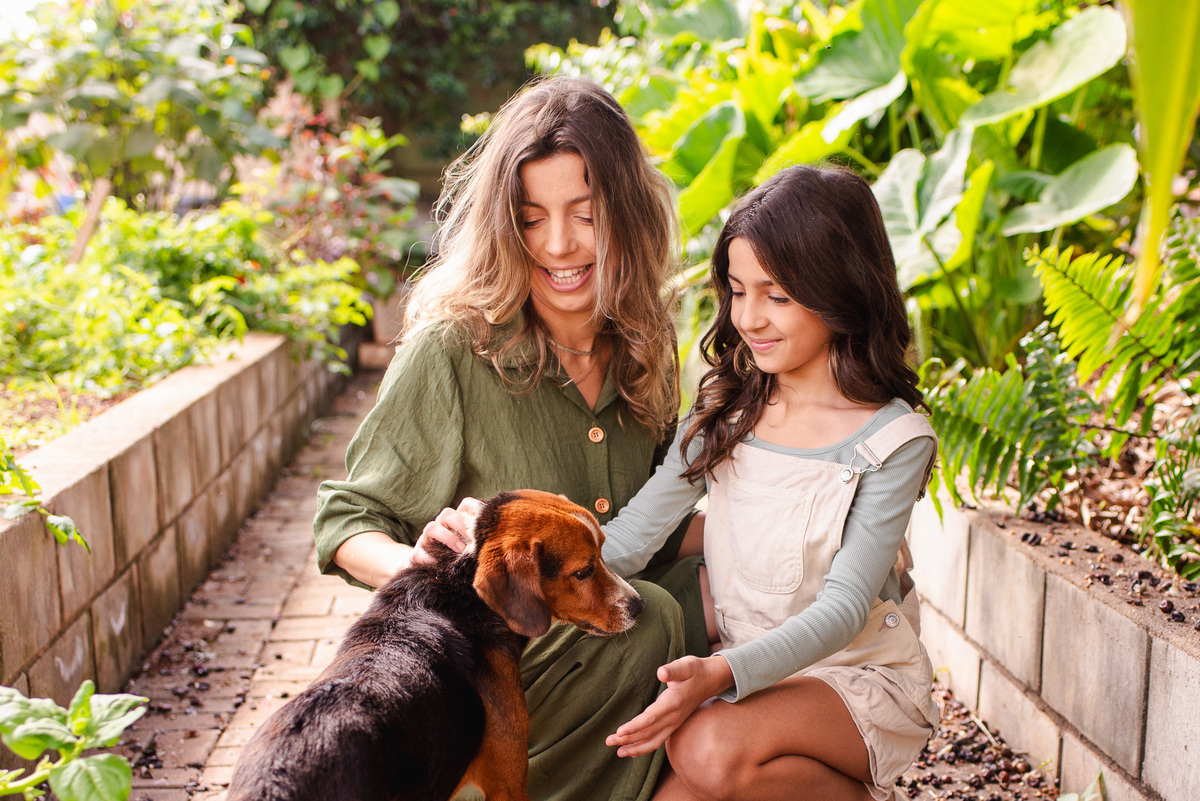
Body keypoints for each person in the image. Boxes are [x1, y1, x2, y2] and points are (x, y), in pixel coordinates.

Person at [311, 76, 707, 801]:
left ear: (627, 215)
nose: (559, 244)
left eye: (584, 215)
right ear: (504, 224)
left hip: (599, 645)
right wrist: (426, 567)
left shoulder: (647, 347)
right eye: (531, 219)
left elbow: (661, 521)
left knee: (701, 596)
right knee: (654, 625)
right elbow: (344, 519)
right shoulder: (454, 349)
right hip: (486, 683)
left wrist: (815, 527)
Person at [598, 164, 940, 801]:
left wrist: (717, 673)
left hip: (853, 679)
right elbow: (630, 542)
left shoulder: (892, 440)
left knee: (704, 744)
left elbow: (840, 615)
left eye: (777, 295)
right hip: (749, 676)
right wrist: (501, 556)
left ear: (840, 288)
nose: (749, 317)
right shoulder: (724, 416)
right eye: (736, 290)